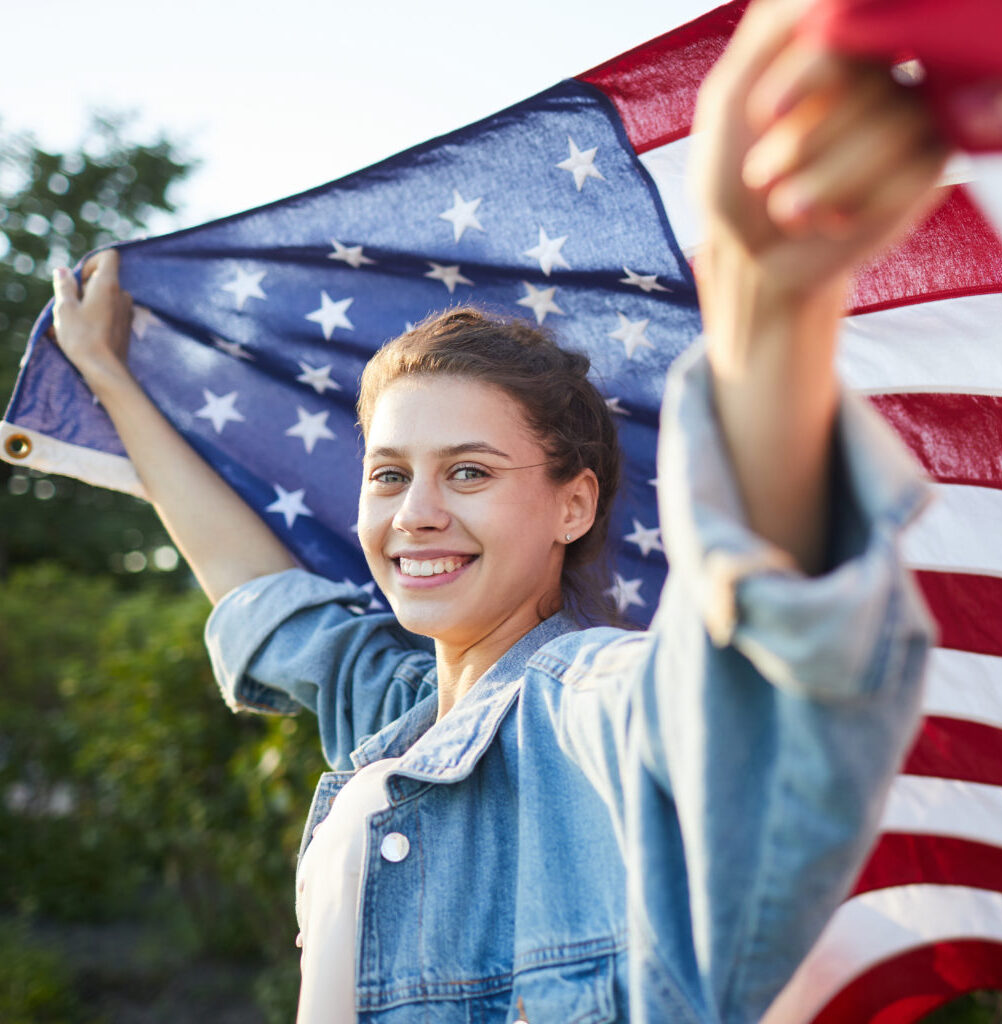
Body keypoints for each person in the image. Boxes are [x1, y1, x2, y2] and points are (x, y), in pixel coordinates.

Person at [47, 1, 950, 1019]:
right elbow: (257, 595)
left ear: (574, 504)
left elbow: (768, 693)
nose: (415, 513)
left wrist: (773, 306)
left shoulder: (594, 708)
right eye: (390, 474)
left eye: (469, 472)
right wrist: (113, 381)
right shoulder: (388, 707)